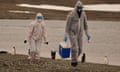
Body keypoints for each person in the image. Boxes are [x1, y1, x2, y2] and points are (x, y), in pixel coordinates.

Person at [65, 1, 91, 67]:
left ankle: (74, 58)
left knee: (80, 49)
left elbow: (86, 25)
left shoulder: (83, 14)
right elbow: (67, 26)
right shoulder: (71, 14)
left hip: (80, 34)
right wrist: (66, 35)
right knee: (74, 47)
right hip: (72, 33)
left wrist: (87, 34)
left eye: (81, 7)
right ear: (76, 7)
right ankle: (74, 62)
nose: (80, 9)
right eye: (78, 7)